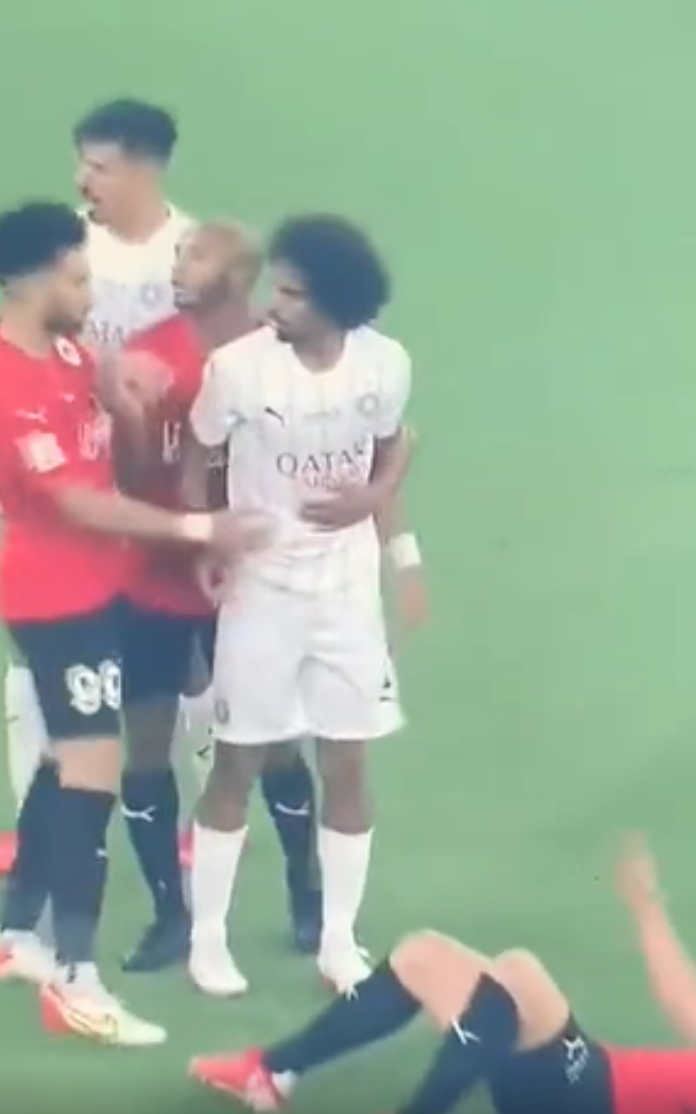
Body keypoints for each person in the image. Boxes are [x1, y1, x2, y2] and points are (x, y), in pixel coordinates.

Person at [112, 219, 427, 973]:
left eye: (291, 294)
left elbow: (394, 445)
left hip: (347, 596)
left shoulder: (386, 364)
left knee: (346, 764)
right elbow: (198, 461)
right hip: (262, 592)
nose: (273, 305)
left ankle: (337, 938)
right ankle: (207, 941)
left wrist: (389, 530)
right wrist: (211, 544)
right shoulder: (238, 369)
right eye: (275, 288)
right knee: (237, 761)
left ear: (337, 302)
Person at [0, 200, 261, 1046]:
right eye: (77, 279)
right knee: (93, 772)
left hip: (99, 590)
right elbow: (78, 502)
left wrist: (122, 384)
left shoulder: (66, 352)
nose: (89, 294)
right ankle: (77, 979)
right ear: (32, 283)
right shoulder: (8, 381)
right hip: (56, 600)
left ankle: (16, 931)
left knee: (65, 760)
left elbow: (104, 400)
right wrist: (198, 527)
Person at [190, 836, 696, 1114]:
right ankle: (272, 1074)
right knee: (424, 957)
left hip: (594, 1099)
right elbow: (693, 1007)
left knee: (520, 974)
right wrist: (648, 907)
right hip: (583, 1081)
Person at [1, 97, 196, 878]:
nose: (84, 179)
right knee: (44, 666)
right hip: (58, 478)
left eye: (100, 165)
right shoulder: (60, 252)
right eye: (82, 163)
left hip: (145, 480)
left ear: (145, 169)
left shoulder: (187, 254)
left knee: (168, 665)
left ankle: (170, 816)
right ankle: (40, 834)